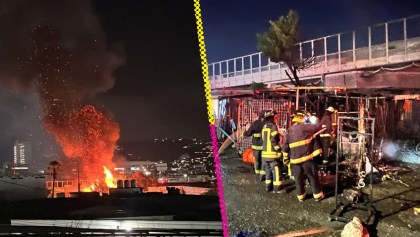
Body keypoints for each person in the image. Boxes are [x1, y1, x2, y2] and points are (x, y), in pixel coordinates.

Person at [282, 110, 326, 202]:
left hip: (294, 161)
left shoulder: (289, 131)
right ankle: (318, 196)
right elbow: (319, 125)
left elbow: (285, 147)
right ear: (302, 118)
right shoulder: (306, 127)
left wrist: (286, 160)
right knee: (312, 176)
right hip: (307, 159)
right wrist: (311, 117)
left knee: (298, 179)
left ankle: (301, 197)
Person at [261, 109, 284, 193]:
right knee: (276, 170)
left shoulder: (264, 126)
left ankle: (268, 187)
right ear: (272, 117)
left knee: (268, 171)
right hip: (272, 153)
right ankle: (278, 188)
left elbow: (263, 139)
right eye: (276, 116)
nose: (276, 118)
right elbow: (273, 140)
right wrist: (278, 151)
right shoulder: (273, 126)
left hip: (264, 154)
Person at [243, 111, 265, 181]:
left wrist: (245, 131)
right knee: (263, 160)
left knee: (257, 160)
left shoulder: (255, 123)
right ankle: (263, 174)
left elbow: (248, 133)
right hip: (265, 146)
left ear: (258, 116)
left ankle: (257, 175)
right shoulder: (267, 124)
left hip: (256, 145)